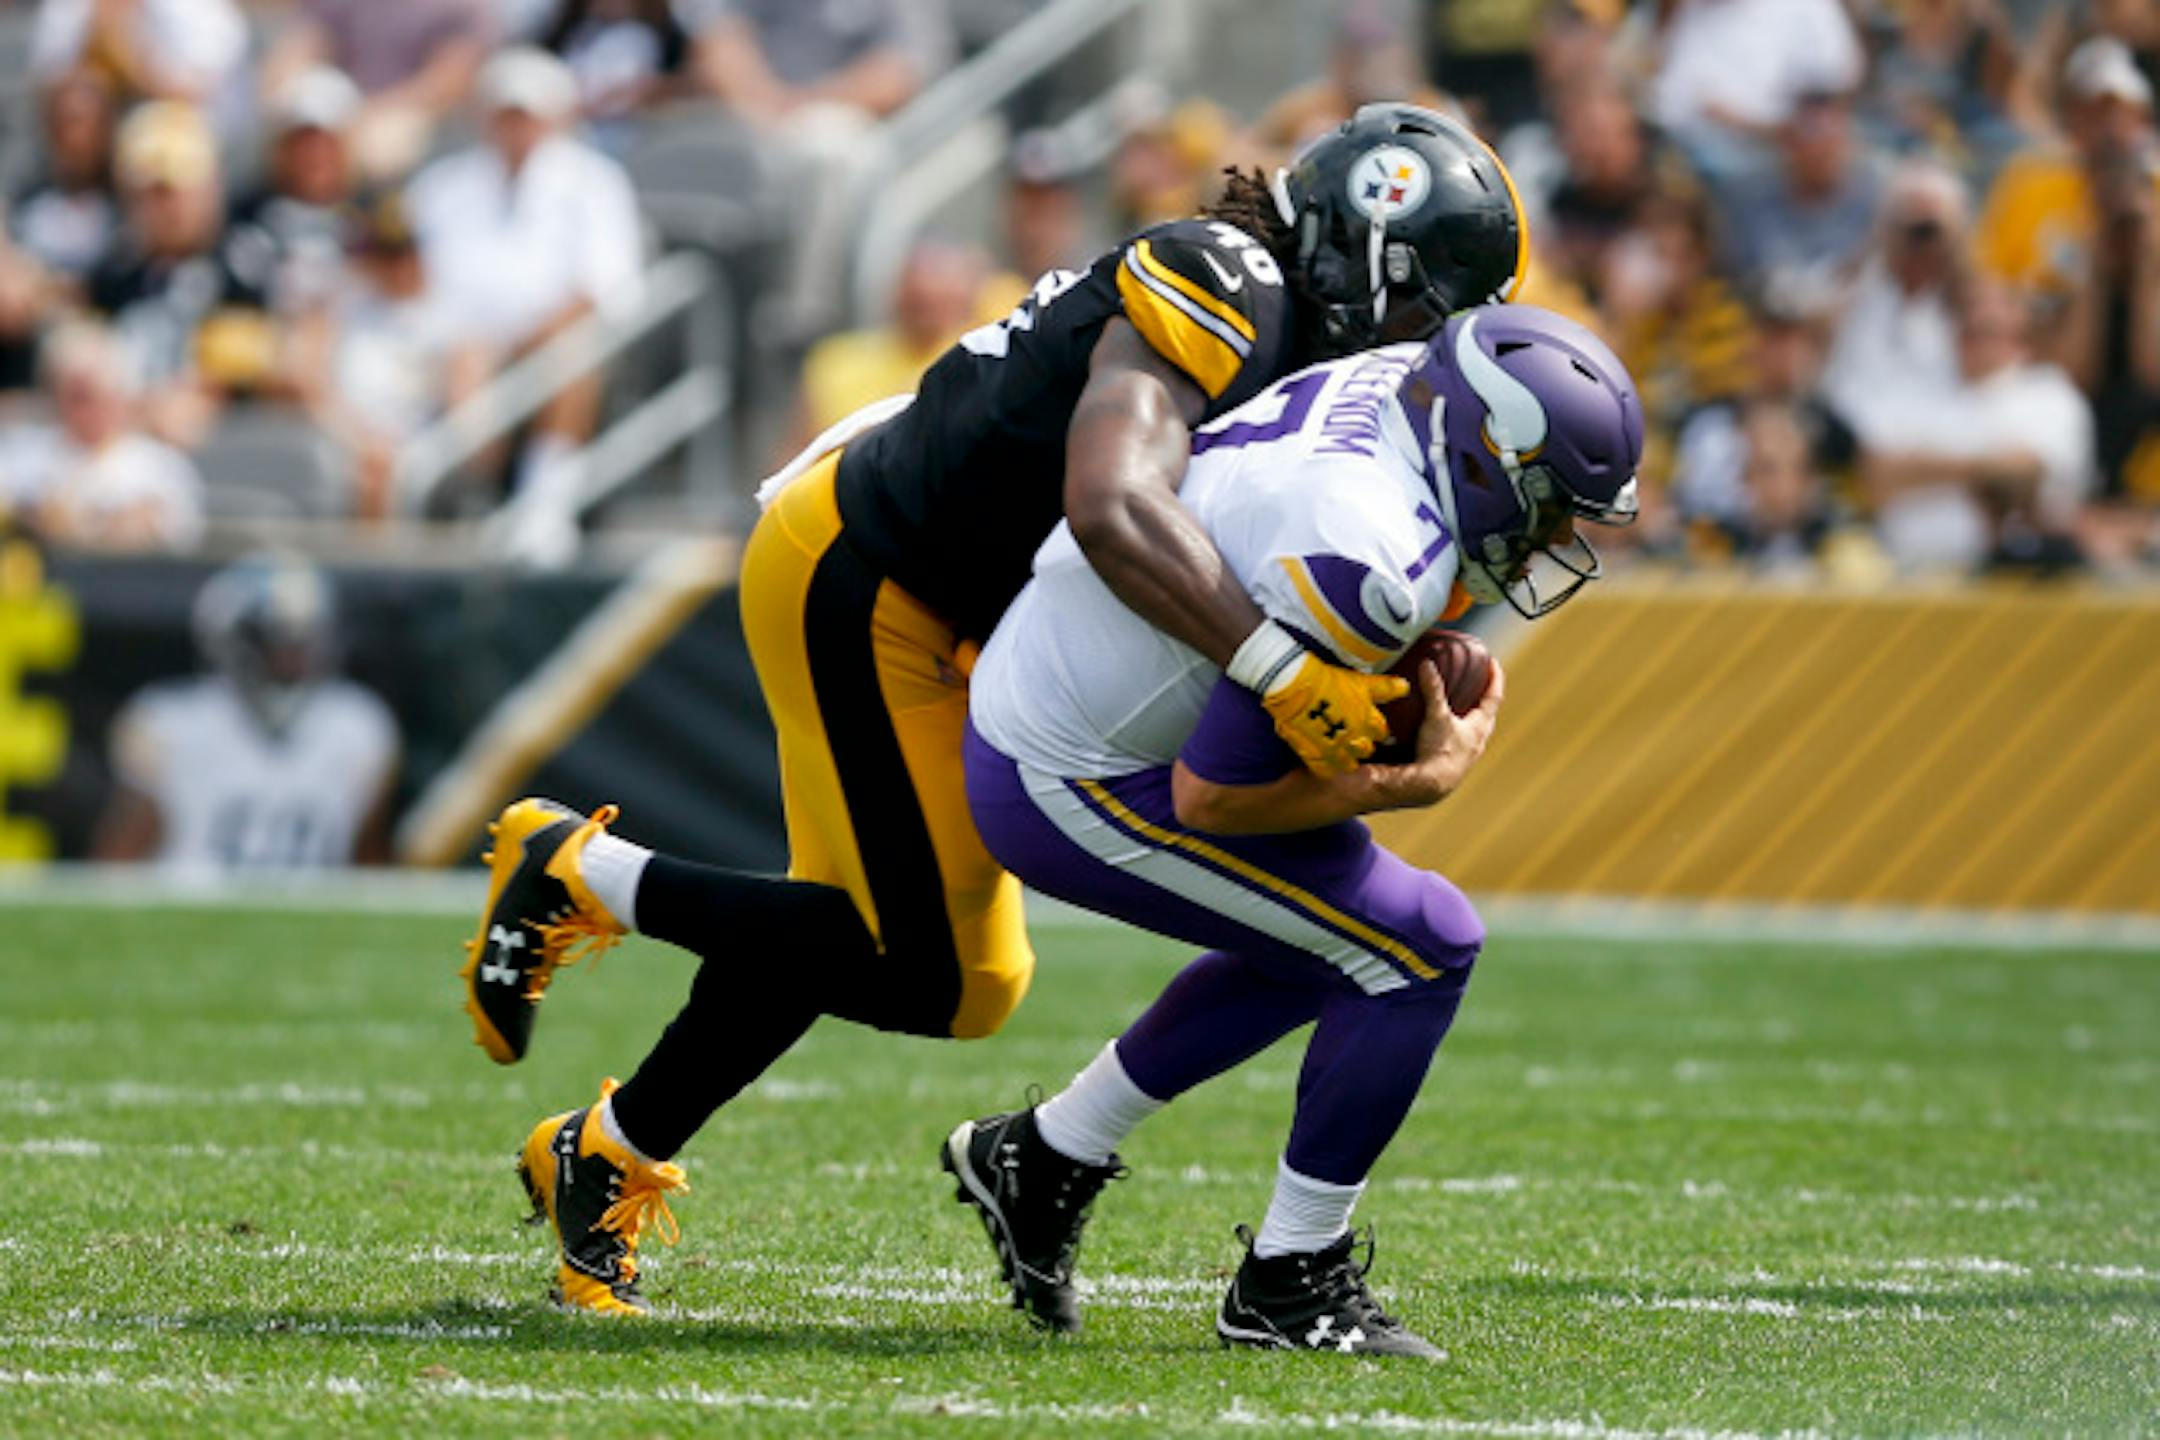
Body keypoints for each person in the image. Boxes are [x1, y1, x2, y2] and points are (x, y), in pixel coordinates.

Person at [465, 104, 1530, 1316]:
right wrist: (1279, 669)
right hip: (872, 577)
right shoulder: (1223, 278)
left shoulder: (1283, 318)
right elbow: (1113, 502)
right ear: (1364, 251)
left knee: (856, 932)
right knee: (942, 975)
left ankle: (602, 1155)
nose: (1426, 337)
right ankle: (583, 873)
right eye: (1425, 302)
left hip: (961, 599)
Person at [943, 306, 1641, 1352]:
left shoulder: (1403, 388)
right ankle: (1288, 1280)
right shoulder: (1370, 554)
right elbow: (1209, 803)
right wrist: (1413, 781)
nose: (1551, 539)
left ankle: (1045, 1155)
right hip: (1071, 773)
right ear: (1489, 461)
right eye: (1548, 508)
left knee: (1329, 944)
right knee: (1419, 947)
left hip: (1068, 682)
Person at [404, 47, 645, 555]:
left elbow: (606, 291)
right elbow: (417, 284)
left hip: (549, 343)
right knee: (467, 355)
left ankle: (544, 503)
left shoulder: (595, 183)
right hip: (456, 345)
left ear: (556, 118)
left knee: (569, 345)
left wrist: (520, 337)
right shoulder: (441, 186)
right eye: (506, 114)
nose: (516, 129)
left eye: (527, 115)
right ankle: (474, 497)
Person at [95, 553, 399, 869]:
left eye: (304, 642)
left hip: (309, 913)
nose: (293, 659)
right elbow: (116, 871)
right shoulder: (167, 724)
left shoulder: (358, 727)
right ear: (235, 640)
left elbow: (369, 877)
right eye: (277, 642)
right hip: (193, 912)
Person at [1860, 275, 2096, 574]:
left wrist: (1918, 467)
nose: (1976, 322)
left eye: (1990, 330)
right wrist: (1983, 468)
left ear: (2024, 341)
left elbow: (2024, 474)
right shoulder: (1919, 389)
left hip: (2012, 574)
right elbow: (1875, 473)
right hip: (1906, 573)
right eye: (1968, 327)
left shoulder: (2049, 394)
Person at [0, 320, 203, 550]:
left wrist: (75, 525)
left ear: (120, 395)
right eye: (70, 395)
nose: (82, 410)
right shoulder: (22, 452)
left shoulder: (158, 464)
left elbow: (145, 531)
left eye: (90, 395)